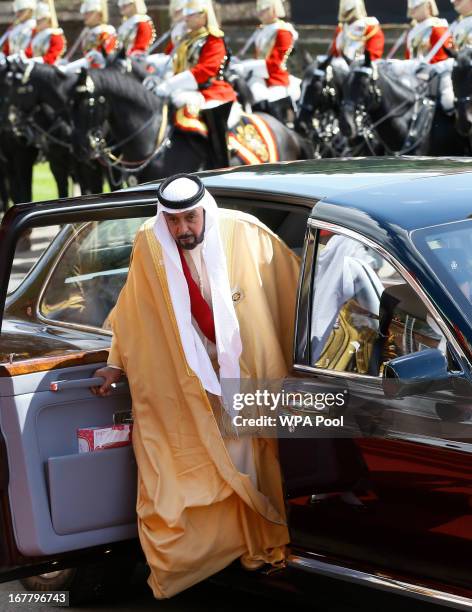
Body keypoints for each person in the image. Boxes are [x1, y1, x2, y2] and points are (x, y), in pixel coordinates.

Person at [91, 173, 300, 598]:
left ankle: (258, 547)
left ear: (205, 210)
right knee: (190, 466)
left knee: (250, 460)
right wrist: (115, 364)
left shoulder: (245, 233)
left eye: (190, 218)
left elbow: (293, 292)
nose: (183, 229)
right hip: (185, 375)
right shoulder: (149, 246)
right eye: (174, 221)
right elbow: (133, 311)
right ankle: (208, 553)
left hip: (244, 371)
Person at [145, 0, 238, 168]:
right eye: (185, 13)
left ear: (204, 15)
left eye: (191, 14)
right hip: (186, 90)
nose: (185, 17)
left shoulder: (213, 39)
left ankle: (221, 163)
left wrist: (170, 85)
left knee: (211, 116)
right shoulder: (187, 39)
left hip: (211, 91)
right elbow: (173, 63)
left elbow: (204, 71)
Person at [231, 0, 300, 121]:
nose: (260, 13)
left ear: (274, 9)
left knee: (261, 98)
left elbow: (275, 64)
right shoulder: (261, 30)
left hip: (276, 78)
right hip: (259, 75)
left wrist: (245, 67)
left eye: (264, 9)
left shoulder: (283, 31)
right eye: (259, 10)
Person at [64, 0, 116, 71]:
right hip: (89, 69)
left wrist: (68, 68)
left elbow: (104, 57)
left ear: (99, 13)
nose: (85, 15)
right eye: (85, 13)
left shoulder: (107, 31)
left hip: (102, 71)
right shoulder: (86, 32)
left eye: (89, 13)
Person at [31, 0, 66, 64]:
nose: (37, 22)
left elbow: (52, 57)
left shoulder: (55, 35)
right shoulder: (35, 34)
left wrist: (37, 60)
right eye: (37, 19)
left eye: (41, 20)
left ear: (48, 20)